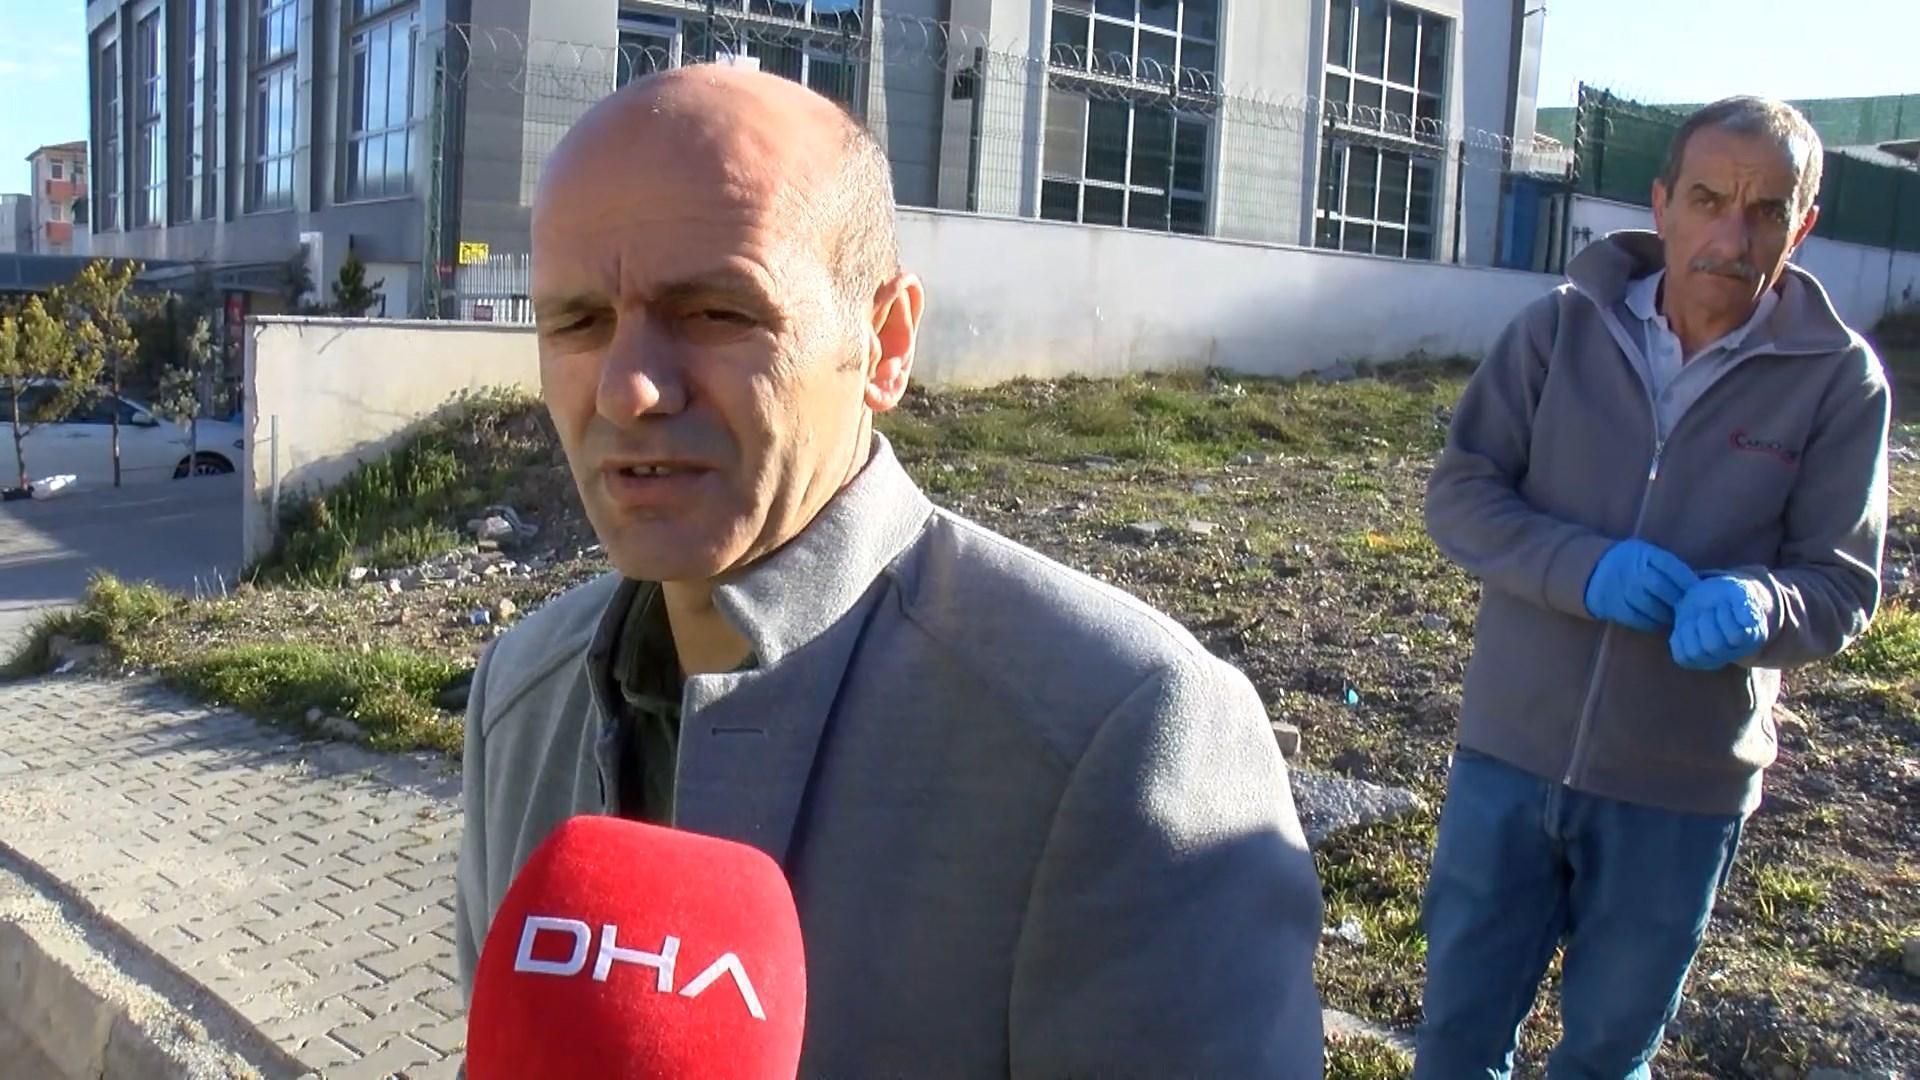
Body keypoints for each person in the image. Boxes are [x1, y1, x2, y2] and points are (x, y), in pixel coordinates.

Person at [453, 65, 1326, 1077]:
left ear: (886, 341)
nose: (628, 388)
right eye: (577, 322)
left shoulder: (1122, 735)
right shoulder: (522, 694)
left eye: (715, 313)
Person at [1418, 95, 1889, 1078]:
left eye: (1766, 211)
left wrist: (1761, 606)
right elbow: (1463, 495)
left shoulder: (1839, 382)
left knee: (1608, 1054)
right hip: (1510, 752)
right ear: (1663, 202)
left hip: (1681, 789)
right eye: (1709, 199)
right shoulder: (1560, 329)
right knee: (1458, 1040)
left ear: (1802, 225)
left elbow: (1841, 584)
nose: (1732, 236)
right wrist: (1586, 569)